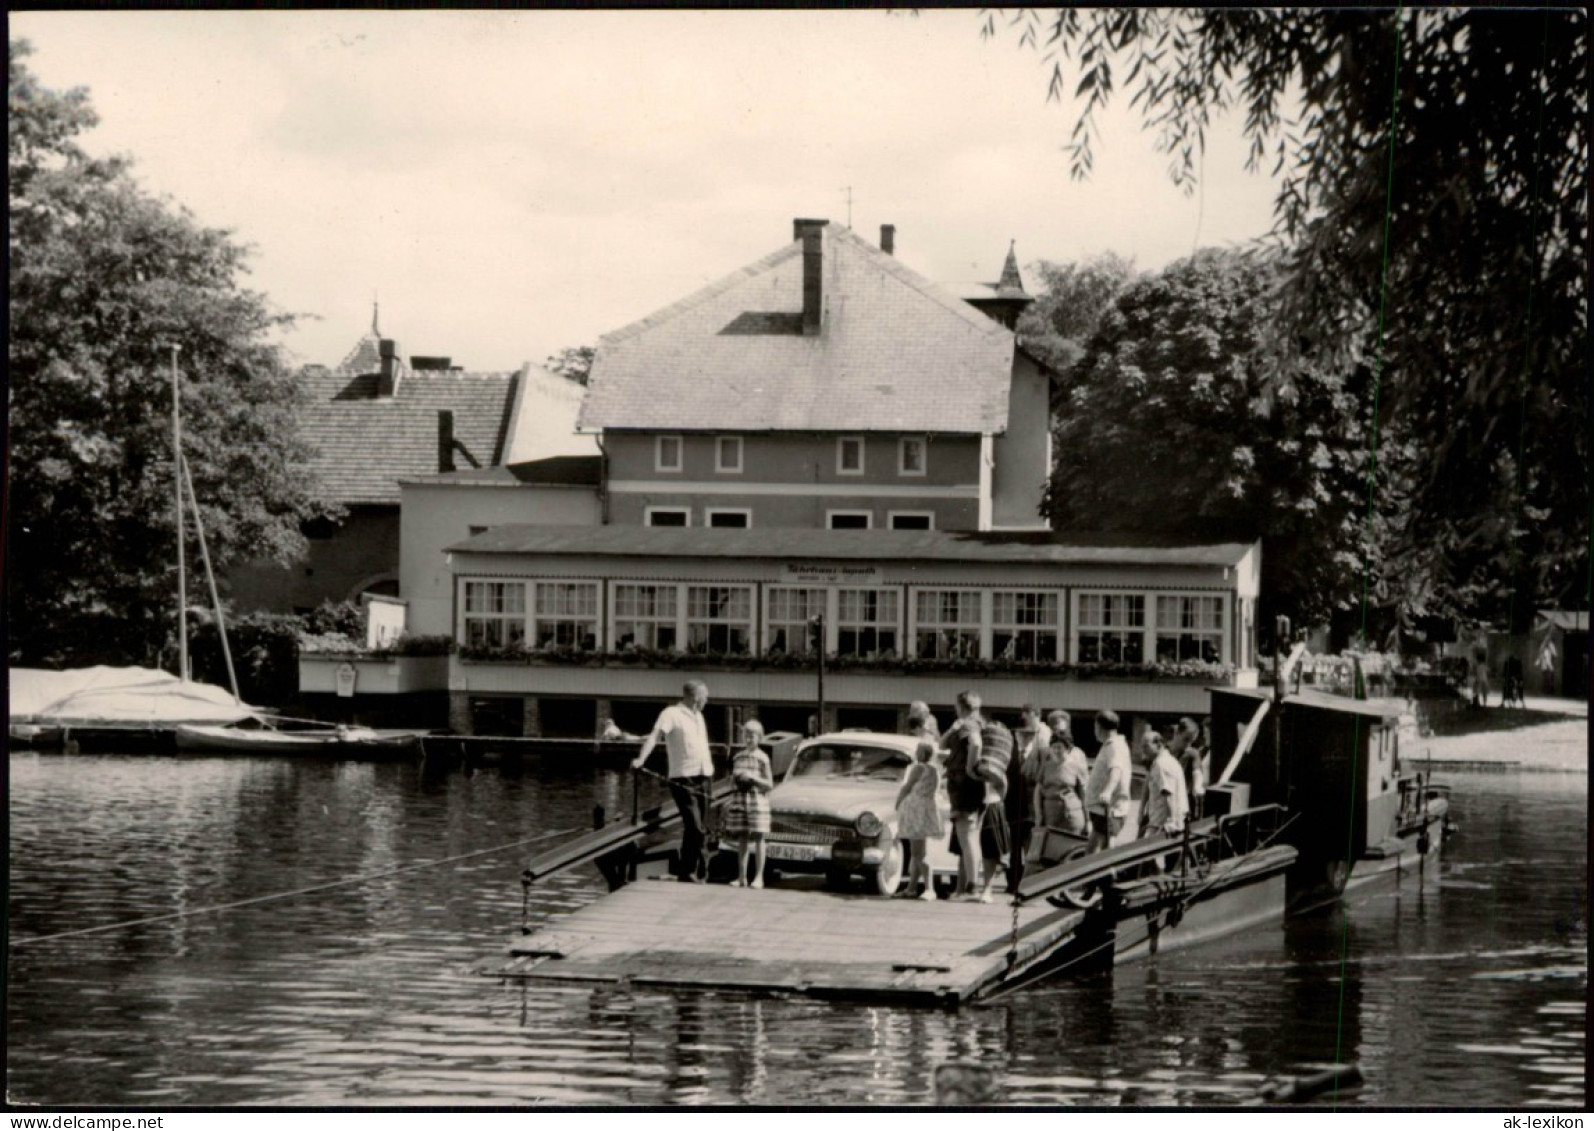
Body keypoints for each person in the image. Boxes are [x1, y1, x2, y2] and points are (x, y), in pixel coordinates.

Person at [633, 680, 715, 883]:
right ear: (696, 698)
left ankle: (694, 870)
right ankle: (688, 870)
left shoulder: (699, 716)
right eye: (705, 697)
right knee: (695, 826)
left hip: (704, 775)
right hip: (683, 777)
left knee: (700, 827)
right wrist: (641, 760)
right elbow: (655, 736)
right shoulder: (671, 714)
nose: (707, 700)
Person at [941, 690, 987, 899]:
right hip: (972, 787)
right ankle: (969, 883)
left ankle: (972, 884)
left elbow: (975, 743)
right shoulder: (979, 722)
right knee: (969, 835)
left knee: (967, 836)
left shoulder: (967, 725)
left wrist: (969, 767)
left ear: (960, 706)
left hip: (963, 785)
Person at [723, 720, 773, 888]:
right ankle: (742, 877)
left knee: (759, 837)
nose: (748, 738)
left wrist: (753, 778)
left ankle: (759, 877)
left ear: (760, 737)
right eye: (746, 735)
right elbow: (731, 783)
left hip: (757, 801)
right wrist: (736, 780)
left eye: (752, 735)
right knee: (742, 837)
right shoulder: (737, 757)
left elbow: (769, 784)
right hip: (740, 800)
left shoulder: (763, 757)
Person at [894, 739, 945, 900]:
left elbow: (907, 787)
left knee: (918, 853)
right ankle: (911, 887)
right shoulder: (935, 770)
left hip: (915, 810)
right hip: (925, 810)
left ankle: (930, 888)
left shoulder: (918, 768)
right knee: (917, 852)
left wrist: (898, 803)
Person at [1033, 710, 1088, 837]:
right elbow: (1038, 789)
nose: (1057, 750)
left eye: (1061, 728)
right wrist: (1039, 815)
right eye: (1054, 729)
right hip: (1050, 815)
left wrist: (1088, 818)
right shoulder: (1045, 755)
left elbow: (1084, 791)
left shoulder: (1078, 755)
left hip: (1071, 814)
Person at [1085, 709, 1133, 853]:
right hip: (1102, 810)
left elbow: (1116, 770)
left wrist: (1107, 791)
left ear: (1099, 727)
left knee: (1094, 853)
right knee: (1102, 851)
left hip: (1108, 810)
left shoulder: (1114, 746)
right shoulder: (1111, 745)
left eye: (1095, 727)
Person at [1141, 731, 1190, 841]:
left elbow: (1168, 794)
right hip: (1174, 821)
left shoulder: (1161, 764)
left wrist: (1171, 820)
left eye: (1146, 746)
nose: (1143, 750)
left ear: (1158, 745)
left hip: (1162, 824)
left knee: (1145, 854)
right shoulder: (1170, 760)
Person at [1171, 716, 1206, 820]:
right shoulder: (1164, 753)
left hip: (1181, 806)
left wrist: (1197, 787)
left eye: (1191, 741)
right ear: (1177, 732)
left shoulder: (1192, 754)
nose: (1187, 744)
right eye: (1186, 739)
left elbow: (1197, 775)